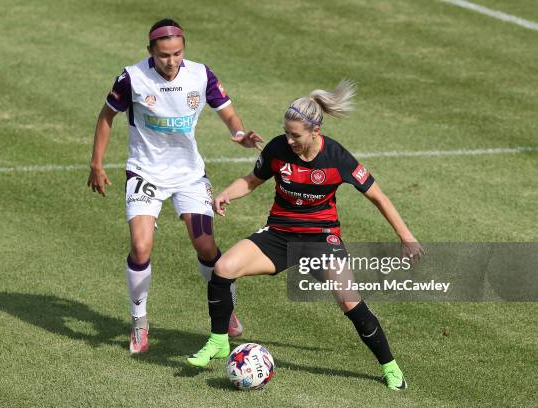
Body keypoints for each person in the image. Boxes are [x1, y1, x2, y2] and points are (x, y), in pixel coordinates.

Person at [186, 80, 424, 391]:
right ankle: (218, 341)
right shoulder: (277, 149)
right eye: (286, 132)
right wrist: (226, 195)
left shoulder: (337, 157)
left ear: (315, 131)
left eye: (295, 135)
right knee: (224, 268)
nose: (289, 140)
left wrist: (406, 237)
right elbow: (252, 180)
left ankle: (391, 368)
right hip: (280, 235)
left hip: (321, 239)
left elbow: (378, 196)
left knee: (350, 302)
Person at [87, 18, 263, 353]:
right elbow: (106, 116)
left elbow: (228, 113)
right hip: (145, 173)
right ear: (150, 51)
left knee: (206, 247)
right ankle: (139, 321)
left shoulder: (200, 74)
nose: (171, 61)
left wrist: (240, 134)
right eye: (164, 55)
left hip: (188, 176)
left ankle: (225, 312)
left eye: (177, 53)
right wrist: (96, 162)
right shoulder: (132, 78)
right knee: (141, 247)